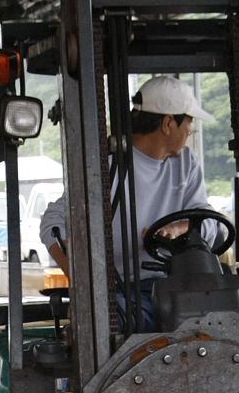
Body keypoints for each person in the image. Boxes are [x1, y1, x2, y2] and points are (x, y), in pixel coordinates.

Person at [39, 74, 217, 331]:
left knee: (227, 314)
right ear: (168, 123)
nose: (190, 132)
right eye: (188, 123)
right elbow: (53, 223)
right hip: (125, 294)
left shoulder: (185, 165)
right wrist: (83, 283)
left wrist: (183, 227)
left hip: (178, 285)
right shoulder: (107, 166)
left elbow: (210, 222)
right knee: (120, 321)